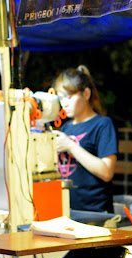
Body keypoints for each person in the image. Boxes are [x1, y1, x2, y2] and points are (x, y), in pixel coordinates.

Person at [51, 65, 118, 212]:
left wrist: (71, 146)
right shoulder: (66, 127)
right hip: (67, 210)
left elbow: (106, 172)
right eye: (61, 98)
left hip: (95, 213)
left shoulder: (102, 124)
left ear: (86, 94)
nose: (65, 103)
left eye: (69, 97)